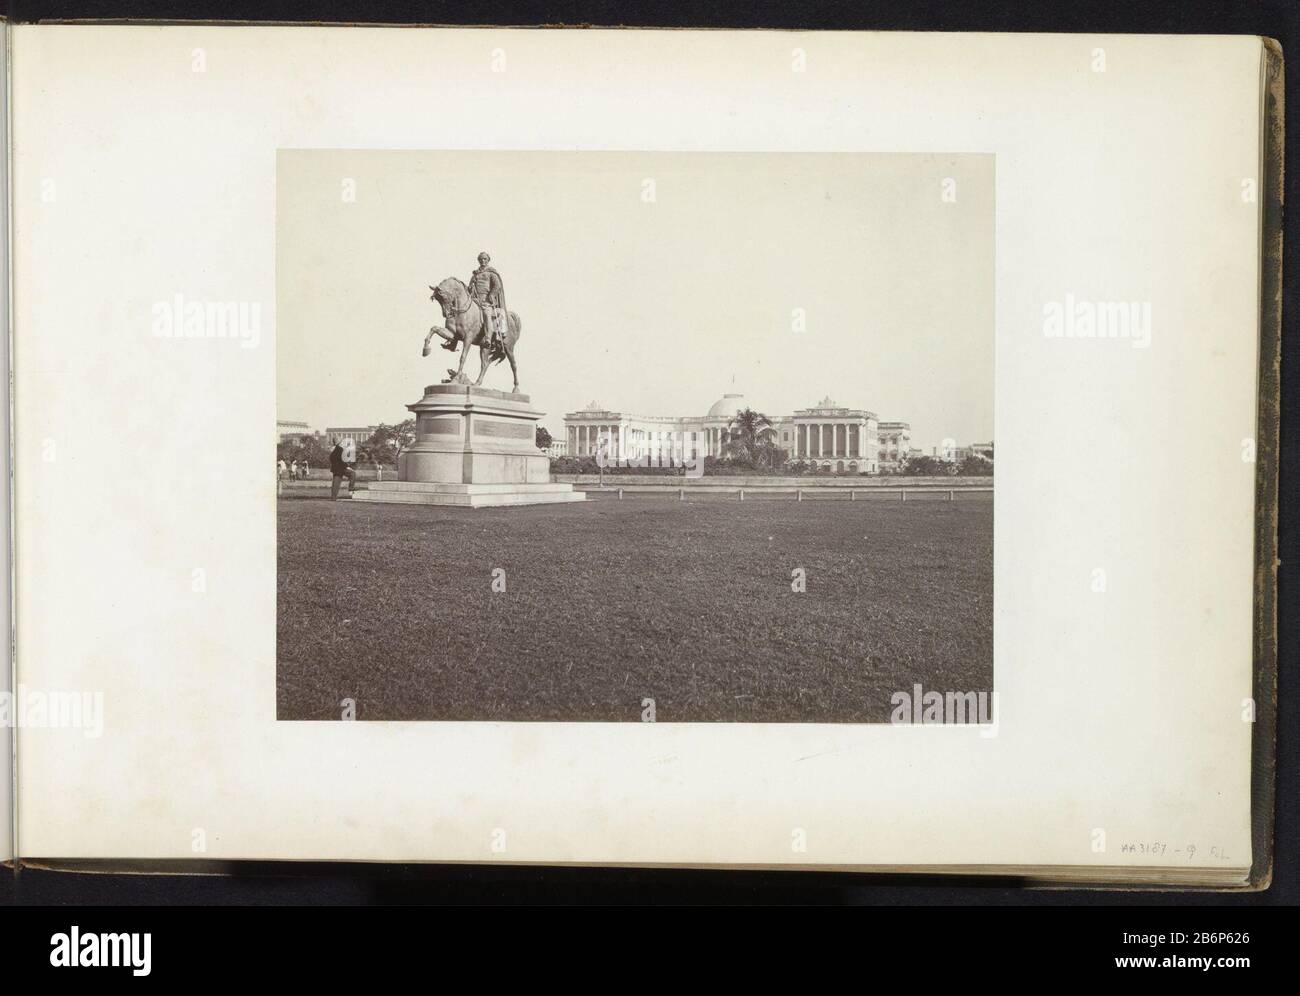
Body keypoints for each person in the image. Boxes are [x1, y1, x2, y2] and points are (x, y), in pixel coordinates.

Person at [467, 251, 507, 351]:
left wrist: (491, 295)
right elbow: (470, 287)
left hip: (486, 301)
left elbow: (497, 285)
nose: (482, 261)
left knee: (486, 315)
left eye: (485, 259)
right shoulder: (475, 274)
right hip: (475, 300)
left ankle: (488, 338)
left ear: (488, 260)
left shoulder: (491, 273)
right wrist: (470, 288)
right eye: (481, 259)